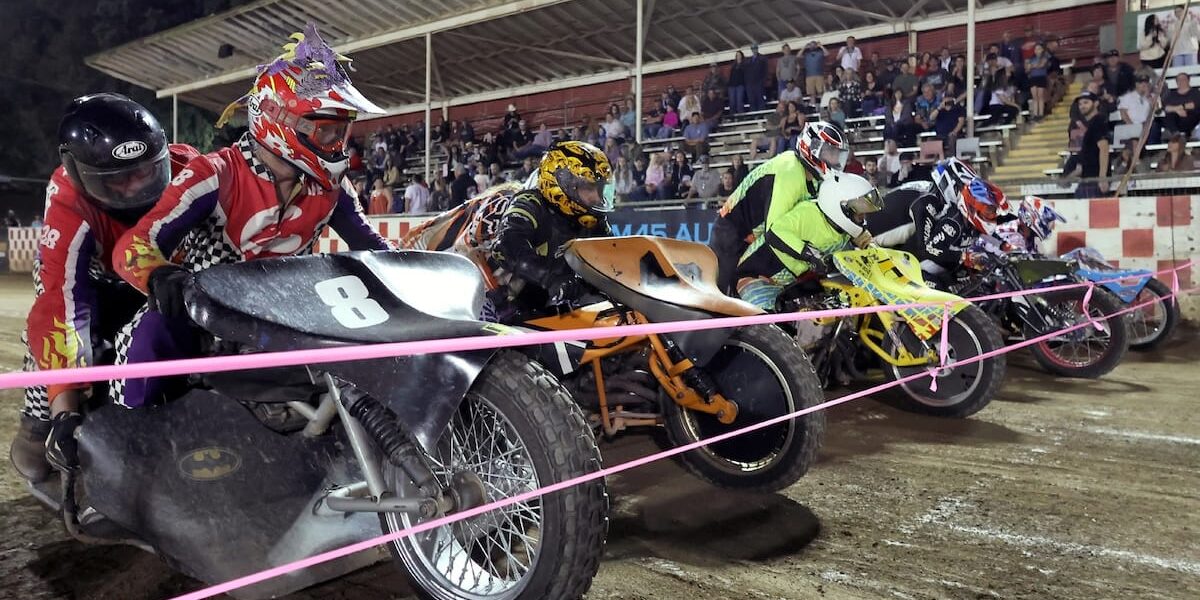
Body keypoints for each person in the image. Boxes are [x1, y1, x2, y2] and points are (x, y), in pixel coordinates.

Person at [108, 25, 392, 411]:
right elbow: (134, 245)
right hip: (206, 321)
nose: (339, 147)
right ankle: (129, 437)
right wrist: (159, 275)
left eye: (342, 132)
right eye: (328, 133)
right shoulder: (214, 174)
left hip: (290, 319)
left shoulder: (333, 188)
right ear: (280, 121)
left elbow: (374, 248)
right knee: (154, 330)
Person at [10, 93, 201, 481]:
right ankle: (36, 422)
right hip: (91, 283)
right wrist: (65, 410)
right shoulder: (67, 203)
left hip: (162, 276)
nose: (136, 189)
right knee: (45, 327)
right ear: (79, 174)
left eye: (147, 171)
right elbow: (61, 307)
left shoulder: (193, 169)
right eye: (118, 180)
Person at [709, 121, 846, 294]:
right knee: (723, 293)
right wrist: (809, 254)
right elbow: (774, 232)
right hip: (730, 232)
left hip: (749, 236)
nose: (835, 160)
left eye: (837, 155)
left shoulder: (812, 176)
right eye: (830, 153)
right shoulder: (789, 171)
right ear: (812, 149)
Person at [486, 141, 614, 321]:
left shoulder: (593, 219)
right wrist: (550, 279)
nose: (596, 197)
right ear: (563, 182)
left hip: (569, 310)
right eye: (589, 188)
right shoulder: (530, 203)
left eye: (599, 189)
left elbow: (614, 256)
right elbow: (506, 246)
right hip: (515, 310)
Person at [735, 170, 882, 310]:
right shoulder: (808, 213)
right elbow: (775, 233)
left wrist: (877, 251)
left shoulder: (845, 227)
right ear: (840, 207)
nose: (863, 218)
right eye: (859, 212)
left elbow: (865, 240)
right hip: (756, 276)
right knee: (770, 327)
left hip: (796, 284)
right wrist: (810, 254)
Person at [866, 158, 1013, 284]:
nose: (965, 194)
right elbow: (925, 248)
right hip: (872, 238)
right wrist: (963, 258)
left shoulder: (933, 197)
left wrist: (1002, 244)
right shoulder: (928, 202)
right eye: (963, 189)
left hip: (882, 235)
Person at [1063, 91, 1112, 198]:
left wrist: (1102, 178)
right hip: (1088, 179)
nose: (1082, 106)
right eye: (1080, 104)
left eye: (1086, 102)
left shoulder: (1098, 122)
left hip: (1094, 180)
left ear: (1096, 103)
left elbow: (1104, 148)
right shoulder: (1091, 125)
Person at [1162, 72, 1200, 138]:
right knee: (1167, 115)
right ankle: (1175, 134)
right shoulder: (1171, 94)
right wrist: (1177, 110)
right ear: (1176, 82)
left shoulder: (1195, 92)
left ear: (1188, 80)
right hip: (1176, 120)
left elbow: (1193, 105)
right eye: (1179, 80)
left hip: (1191, 118)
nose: (1181, 81)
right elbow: (1166, 107)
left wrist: (1180, 107)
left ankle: (1185, 135)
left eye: (1183, 79)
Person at [745, 44, 769, 112]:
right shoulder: (748, 60)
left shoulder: (762, 58)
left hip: (759, 81)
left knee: (760, 98)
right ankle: (754, 114)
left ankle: (761, 113)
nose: (754, 50)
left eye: (755, 48)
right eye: (753, 49)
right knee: (751, 99)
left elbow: (765, 70)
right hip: (750, 82)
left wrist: (763, 80)